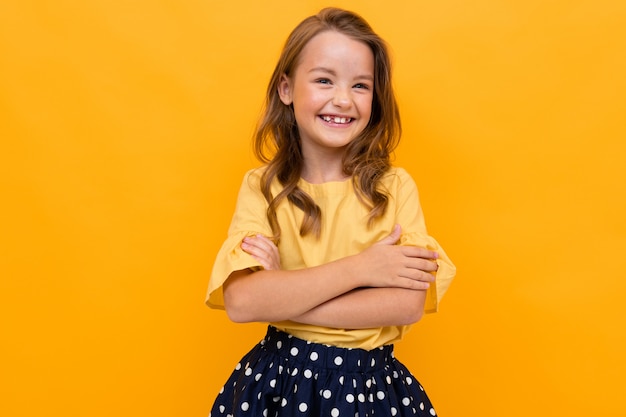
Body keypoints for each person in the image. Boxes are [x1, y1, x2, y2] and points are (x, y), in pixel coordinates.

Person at [206, 7, 456, 417]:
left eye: (361, 85)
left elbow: (408, 304)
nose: (343, 99)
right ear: (286, 89)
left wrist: (282, 295)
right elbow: (242, 303)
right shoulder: (262, 188)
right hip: (278, 385)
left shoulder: (393, 188)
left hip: (372, 389)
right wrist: (363, 269)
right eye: (324, 80)